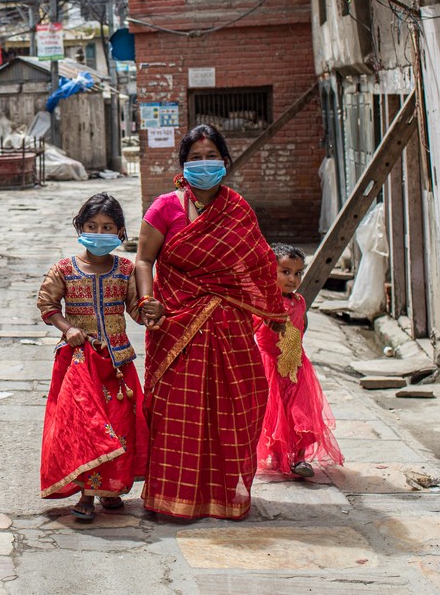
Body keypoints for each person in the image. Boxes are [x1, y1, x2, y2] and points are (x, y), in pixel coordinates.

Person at [134, 125, 290, 520]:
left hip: (231, 330)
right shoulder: (164, 208)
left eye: (211, 156)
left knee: (238, 407)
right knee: (175, 414)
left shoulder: (238, 209)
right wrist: (147, 299)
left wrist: (275, 316)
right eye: (196, 157)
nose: (204, 164)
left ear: (225, 162)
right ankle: (172, 498)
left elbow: (256, 267)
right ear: (183, 165)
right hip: (175, 325)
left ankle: (224, 496)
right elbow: (143, 260)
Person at [38, 193, 149, 521]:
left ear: (119, 231)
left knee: (118, 425)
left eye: (107, 227)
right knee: (86, 428)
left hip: (117, 363)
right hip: (78, 364)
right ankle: (87, 493)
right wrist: (66, 327)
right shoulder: (63, 269)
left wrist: (151, 308)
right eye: (91, 226)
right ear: (79, 227)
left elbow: (136, 311)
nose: (99, 232)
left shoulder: (126, 270)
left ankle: (110, 489)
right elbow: (47, 306)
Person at [255, 244, 344, 478]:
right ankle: (278, 458)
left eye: (298, 273)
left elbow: (301, 328)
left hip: (297, 367)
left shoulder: (300, 302)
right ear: (269, 271)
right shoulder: (263, 302)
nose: (293, 279)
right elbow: (251, 330)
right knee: (275, 416)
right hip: (270, 367)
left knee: (301, 413)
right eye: (285, 272)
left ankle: (300, 459)